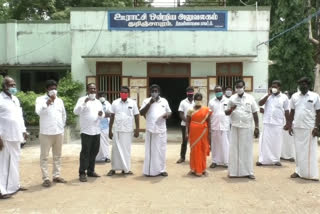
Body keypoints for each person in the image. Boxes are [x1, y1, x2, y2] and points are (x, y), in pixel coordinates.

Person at [35, 80, 67, 188]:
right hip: (46, 133)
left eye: (55, 88)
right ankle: (46, 178)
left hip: (58, 132)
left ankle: (56, 176)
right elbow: (38, 111)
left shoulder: (60, 101)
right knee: (44, 157)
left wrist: (61, 126)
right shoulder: (40, 100)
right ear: (46, 90)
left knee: (57, 156)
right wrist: (47, 103)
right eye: (51, 88)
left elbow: (63, 115)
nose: (54, 90)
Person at [225, 79, 259, 179]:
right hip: (235, 127)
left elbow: (255, 113)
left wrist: (256, 127)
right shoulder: (231, 98)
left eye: (240, 87)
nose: (238, 88)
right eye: (237, 87)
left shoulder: (250, 98)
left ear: (244, 87)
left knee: (247, 149)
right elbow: (226, 113)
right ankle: (233, 172)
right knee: (234, 150)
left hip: (247, 127)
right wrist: (231, 109)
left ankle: (249, 172)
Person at [0, 77, 28, 199]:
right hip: (5, 136)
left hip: (16, 135)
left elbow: (19, 117)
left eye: (14, 84)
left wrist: (24, 130)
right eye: (11, 85)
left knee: (14, 162)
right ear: (4, 86)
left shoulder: (15, 99)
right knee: (4, 163)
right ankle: (2, 190)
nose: (13, 87)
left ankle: (14, 185)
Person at [288, 77, 320, 181]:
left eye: (304, 84)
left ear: (308, 85)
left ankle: (311, 174)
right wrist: (289, 125)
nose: (302, 85)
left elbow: (318, 112)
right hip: (297, 127)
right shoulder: (294, 96)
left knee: (310, 151)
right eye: (301, 84)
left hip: (309, 128)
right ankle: (298, 171)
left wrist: (316, 127)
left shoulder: (315, 96)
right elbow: (292, 111)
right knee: (298, 151)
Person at [74, 83, 104, 182]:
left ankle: (91, 171)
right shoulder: (82, 100)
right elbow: (76, 112)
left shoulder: (98, 102)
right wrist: (84, 103)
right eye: (91, 89)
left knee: (94, 152)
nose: (93, 90)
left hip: (96, 130)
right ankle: (82, 173)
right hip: (86, 131)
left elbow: (102, 114)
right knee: (85, 153)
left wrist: (101, 115)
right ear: (87, 90)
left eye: (94, 89)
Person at [140, 84, 172, 177]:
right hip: (151, 129)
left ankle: (162, 170)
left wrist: (167, 115)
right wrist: (150, 103)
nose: (154, 92)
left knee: (161, 150)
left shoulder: (164, 101)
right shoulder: (146, 101)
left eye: (156, 91)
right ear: (150, 92)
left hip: (162, 129)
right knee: (151, 151)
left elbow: (169, 111)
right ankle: (149, 171)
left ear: (159, 92)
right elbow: (141, 113)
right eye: (153, 91)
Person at [107, 86, 139, 176]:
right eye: (122, 92)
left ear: (128, 94)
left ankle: (126, 169)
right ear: (119, 93)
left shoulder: (132, 103)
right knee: (115, 150)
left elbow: (136, 116)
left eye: (125, 92)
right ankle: (113, 169)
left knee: (126, 150)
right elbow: (112, 116)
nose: (123, 94)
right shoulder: (115, 102)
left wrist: (137, 129)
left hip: (128, 130)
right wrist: (110, 130)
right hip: (117, 129)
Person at [256, 80, 289, 166]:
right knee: (265, 142)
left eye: (275, 87)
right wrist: (268, 95)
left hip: (278, 122)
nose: (273, 88)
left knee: (277, 142)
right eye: (272, 87)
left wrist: (288, 123)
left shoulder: (284, 97)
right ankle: (262, 160)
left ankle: (275, 160)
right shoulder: (268, 96)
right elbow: (260, 103)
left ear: (279, 88)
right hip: (267, 122)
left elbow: (286, 111)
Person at [186, 93, 212, 176]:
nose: (198, 101)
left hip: (203, 131)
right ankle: (193, 168)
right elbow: (187, 121)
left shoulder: (206, 109)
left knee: (202, 149)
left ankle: (203, 168)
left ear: (202, 100)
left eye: (200, 99)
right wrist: (187, 132)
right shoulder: (190, 110)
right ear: (194, 100)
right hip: (193, 131)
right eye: (197, 99)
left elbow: (209, 121)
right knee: (194, 150)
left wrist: (210, 132)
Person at [208, 85, 230, 168]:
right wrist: (209, 127)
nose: (218, 92)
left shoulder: (228, 100)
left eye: (219, 91)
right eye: (216, 91)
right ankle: (215, 161)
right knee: (214, 144)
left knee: (225, 144)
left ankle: (226, 161)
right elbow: (209, 114)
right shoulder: (211, 102)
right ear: (214, 92)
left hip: (224, 125)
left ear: (222, 91)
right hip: (215, 125)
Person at [176, 86, 194, 164]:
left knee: (194, 141)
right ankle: (182, 157)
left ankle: (194, 157)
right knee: (184, 141)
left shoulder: (196, 102)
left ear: (193, 92)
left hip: (194, 125)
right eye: (189, 92)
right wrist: (187, 121)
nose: (190, 94)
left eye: (191, 92)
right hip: (184, 125)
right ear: (186, 93)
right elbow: (181, 114)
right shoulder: (183, 102)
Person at [95, 93, 112, 163]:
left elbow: (110, 114)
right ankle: (98, 157)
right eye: (100, 96)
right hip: (97, 125)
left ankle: (107, 157)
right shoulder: (95, 103)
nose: (102, 97)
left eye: (103, 96)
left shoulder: (108, 104)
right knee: (97, 142)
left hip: (105, 126)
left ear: (105, 97)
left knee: (105, 142)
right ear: (98, 97)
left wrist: (104, 115)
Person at [281, 91, 295, 162]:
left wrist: (289, 123)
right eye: (285, 93)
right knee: (282, 140)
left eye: (287, 94)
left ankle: (291, 155)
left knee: (290, 140)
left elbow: (291, 113)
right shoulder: (281, 101)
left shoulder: (291, 102)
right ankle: (282, 155)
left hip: (290, 123)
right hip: (282, 123)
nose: (286, 95)